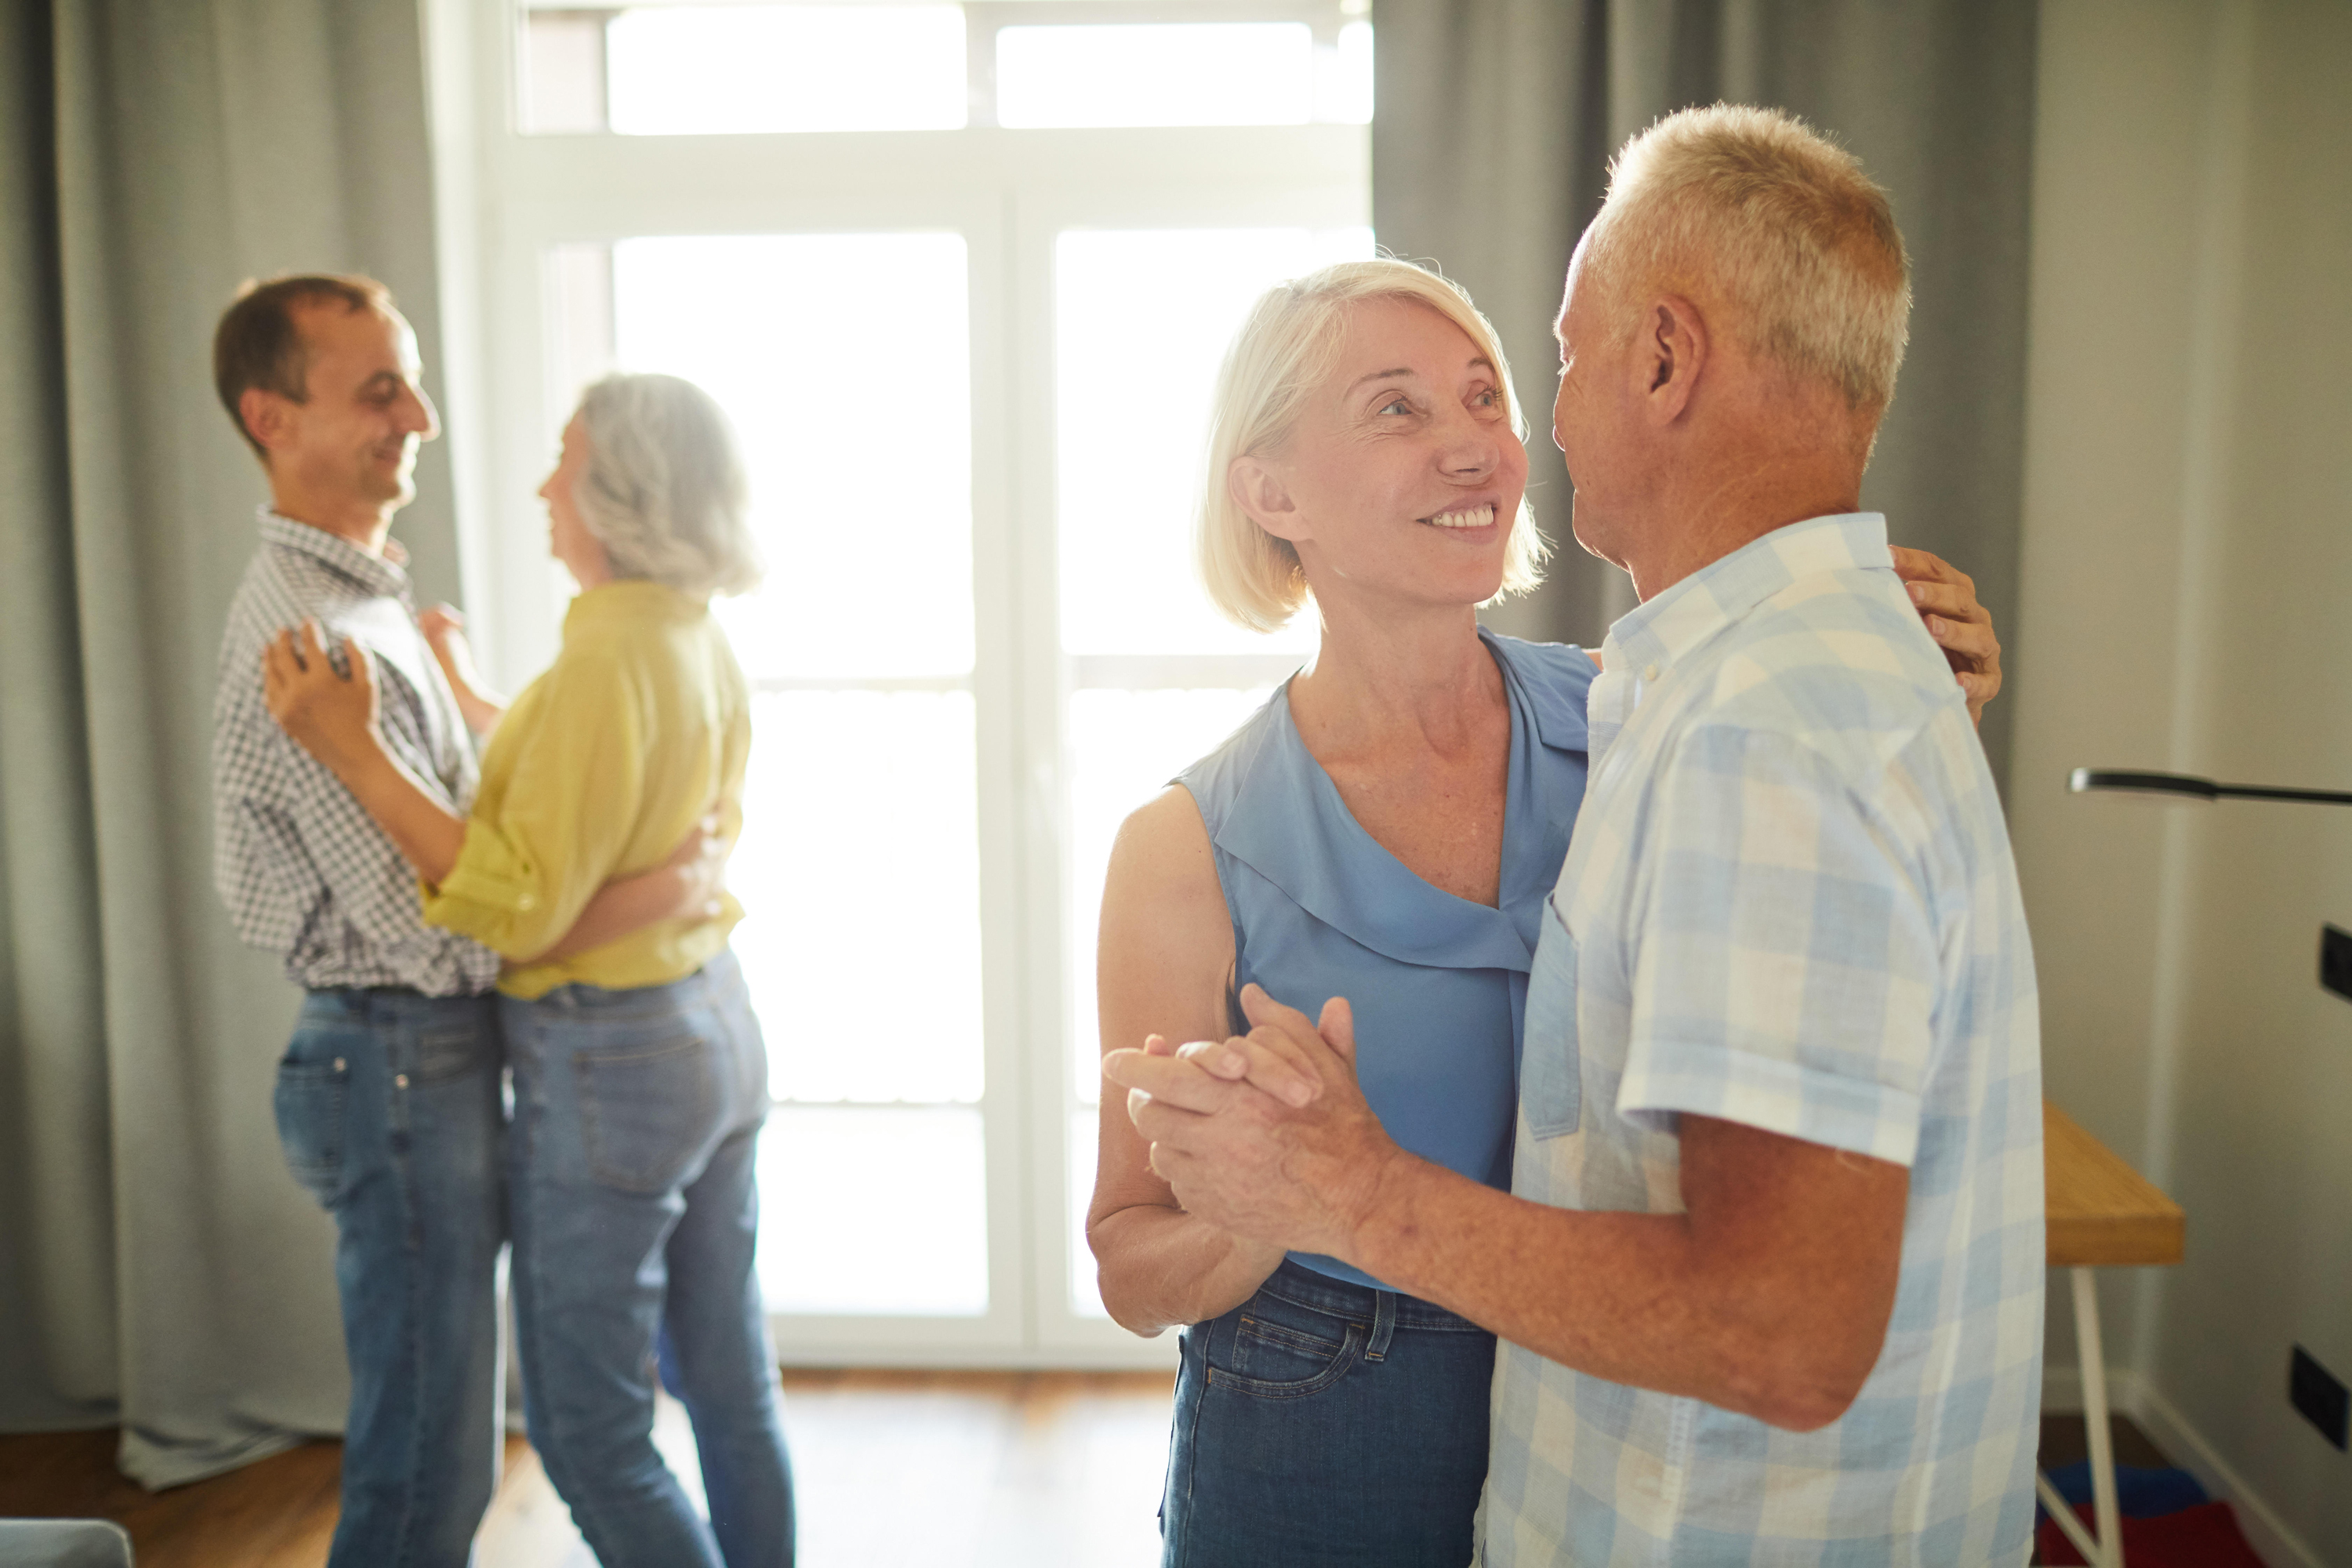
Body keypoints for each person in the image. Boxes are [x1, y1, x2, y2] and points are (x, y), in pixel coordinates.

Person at [1108, 106, 2044, 1565]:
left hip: (1596, 1392)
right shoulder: (1182, 845)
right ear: (1270, 491)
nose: (1486, 437)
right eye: (1398, 408)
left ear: (1661, 362)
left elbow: (1807, 890)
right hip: (1322, 1424)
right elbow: (1128, 1253)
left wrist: (1901, 688)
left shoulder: (1659, 718)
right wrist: (1265, 1211)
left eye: (1490, 391)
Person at [209, 277, 721, 1567]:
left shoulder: (373, 611)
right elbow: (456, 933)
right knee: (425, 1467)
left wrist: (471, 705)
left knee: (445, 1456)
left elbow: (486, 843)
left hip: (416, 1061)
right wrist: (661, 894)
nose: (420, 415)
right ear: (271, 416)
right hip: (391, 1057)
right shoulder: (311, 639)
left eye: (413, 379)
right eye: (377, 388)